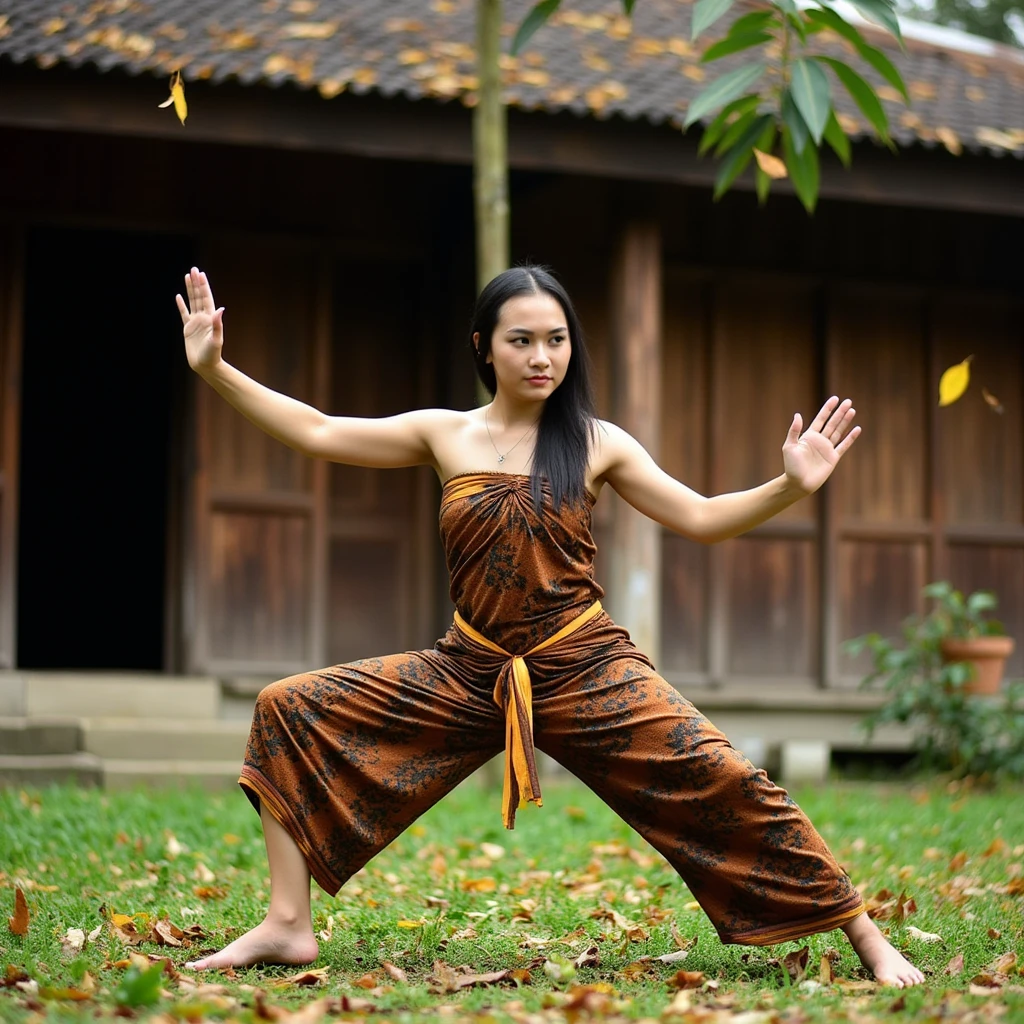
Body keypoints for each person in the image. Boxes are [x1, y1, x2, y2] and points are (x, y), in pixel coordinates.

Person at [175, 264, 924, 988]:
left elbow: (700, 518)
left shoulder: (600, 442)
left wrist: (788, 487)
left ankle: (862, 929)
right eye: (522, 340)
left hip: (587, 666)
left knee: (727, 778)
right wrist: (215, 369)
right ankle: (286, 922)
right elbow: (315, 430)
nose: (542, 357)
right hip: (469, 671)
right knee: (287, 707)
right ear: (483, 346)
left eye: (557, 340)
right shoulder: (446, 434)